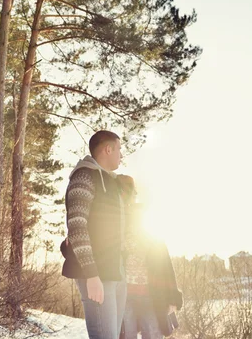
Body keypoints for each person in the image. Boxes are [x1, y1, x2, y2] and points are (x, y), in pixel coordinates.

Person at [61, 130, 127, 339]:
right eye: (119, 149)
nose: (121, 155)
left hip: (115, 272)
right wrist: (91, 274)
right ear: (108, 149)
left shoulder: (112, 183)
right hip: (97, 274)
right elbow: (77, 226)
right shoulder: (84, 176)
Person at [117, 175, 183, 339]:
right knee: (127, 335)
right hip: (125, 296)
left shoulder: (151, 229)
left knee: (153, 334)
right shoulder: (117, 225)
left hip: (151, 295)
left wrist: (172, 297)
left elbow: (165, 266)